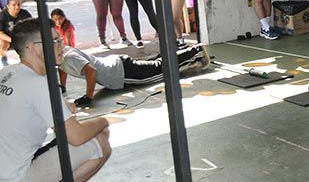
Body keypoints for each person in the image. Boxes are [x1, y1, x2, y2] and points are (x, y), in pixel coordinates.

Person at [0, 18, 111, 182]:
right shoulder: (40, 85)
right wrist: (103, 120)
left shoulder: (8, 73)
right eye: (53, 41)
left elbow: (20, 112)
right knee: (100, 142)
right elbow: (76, 137)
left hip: (5, 179)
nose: (61, 45)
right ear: (32, 48)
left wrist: (61, 108)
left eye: (60, 39)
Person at [59, 43, 210, 107]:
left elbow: (91, 71)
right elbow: (62, 69)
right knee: (155, 64)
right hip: (117, 65)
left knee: (161, 70)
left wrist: (88, 97)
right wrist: (62, 86)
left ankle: (196, 51)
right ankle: (184, 51)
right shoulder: (60, 54)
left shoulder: (69, 56)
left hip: (120, 72)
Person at [0, 0, 32, 66]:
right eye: (14, 5)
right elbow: (0, 34)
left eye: (18, 4)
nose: (17, 7)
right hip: (8, 38)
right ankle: (4, 60)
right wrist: (12, 40)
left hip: (22, 37)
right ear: (8, 6)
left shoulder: (25, 14)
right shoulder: (2, 16)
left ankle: (27, 61)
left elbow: (31, 28)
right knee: (2, 43)